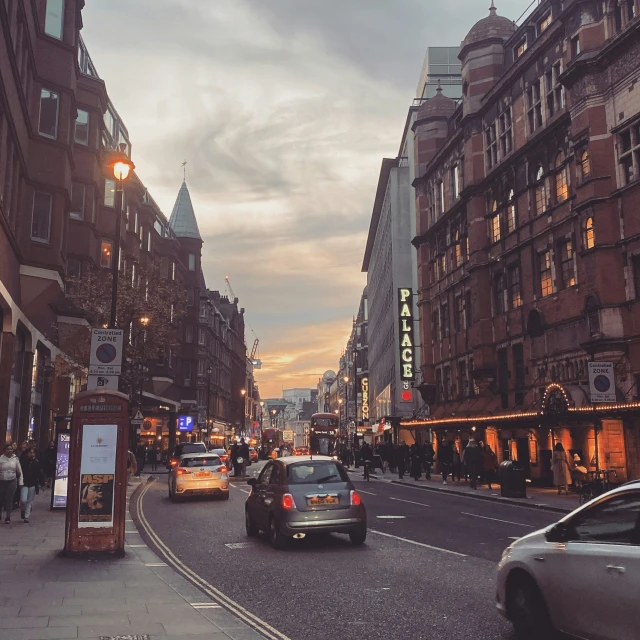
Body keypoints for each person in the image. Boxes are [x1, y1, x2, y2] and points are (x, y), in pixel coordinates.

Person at [0, 444, 23, 524]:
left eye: (11, 449)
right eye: (7, 449)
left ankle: (8, 516)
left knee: (9, 499)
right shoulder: (1, 459)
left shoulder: (15, 459)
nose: (9, 450)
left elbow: (19, 471)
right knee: (1, 499)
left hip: (12, 481)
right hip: (2, 481)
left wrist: (21, 482)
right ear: (4, 450)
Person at [19, 448, 42, 523]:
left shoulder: (36, 462)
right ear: (27, 454)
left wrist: (40, 483)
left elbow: (39, 473)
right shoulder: (23, 462)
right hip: (24, 483)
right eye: (30, 452)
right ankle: (23, 509)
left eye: (33, 453)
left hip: (32, 483)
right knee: (23, 500)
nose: (32, 454)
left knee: (29, 501)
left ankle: (26, 516)